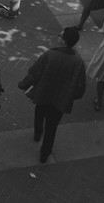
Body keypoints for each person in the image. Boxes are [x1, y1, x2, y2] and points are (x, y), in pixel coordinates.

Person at [18, 27, 86, 163]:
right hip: (60, 100)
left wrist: (23, 84)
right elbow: (80, 88)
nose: (58, 36)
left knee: (39, 114)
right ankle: (45, 153)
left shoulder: (50, 55)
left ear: (63, 40)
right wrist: (70, 96)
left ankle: (37, 134)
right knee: (52, 127)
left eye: (61, 35)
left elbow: (34, 73)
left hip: (43, 94)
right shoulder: (78, 62)